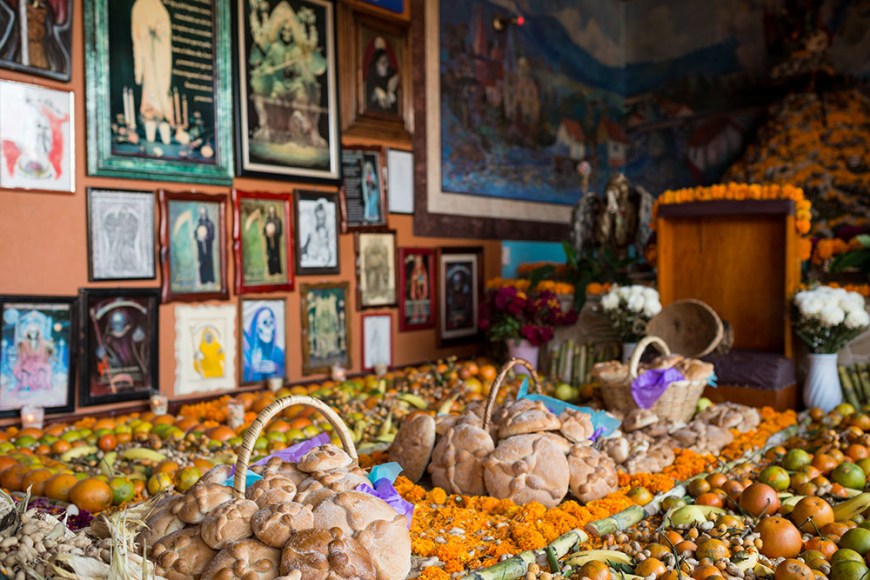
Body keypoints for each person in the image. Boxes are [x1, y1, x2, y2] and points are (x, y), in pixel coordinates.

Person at [131, 0, 174, 124]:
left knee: (161, 81)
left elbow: (165, 32)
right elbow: (138, 33)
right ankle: (150, 110)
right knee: (150, 82)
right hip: (148, 53)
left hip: (159, 54)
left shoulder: (160, 9)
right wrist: (149, 30)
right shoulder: (140, 5)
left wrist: (159, 29)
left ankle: (161, 111)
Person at [243, 306, 285, 382]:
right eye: (265, 323)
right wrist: (252, 368)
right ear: (256, 328)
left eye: (271, 323)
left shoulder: (279, 353)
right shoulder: (247, 352)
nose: (269, 328)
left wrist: (276, 368)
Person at [12, 323, 54, 392]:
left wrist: (50, 349)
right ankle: (26, 387)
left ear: (37, 333)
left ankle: (44, 387)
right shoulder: (24, 344)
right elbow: (22, 358)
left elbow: (47, 355)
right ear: (28, 333)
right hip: (28, 364)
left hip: (40, 363)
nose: (33, 334)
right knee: (25, 372)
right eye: (31, 332)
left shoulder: (44, 343)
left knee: (45, 370)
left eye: (34, 332)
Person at [365, 37, 400, 114]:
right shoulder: (371, 76)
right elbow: (369, 98)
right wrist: (377, 91)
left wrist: (390, 92)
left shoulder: (391, 74)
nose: (385, 65)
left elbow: (394, 100)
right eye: (382, 62)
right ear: (376, 63)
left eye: (386, 62)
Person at [301, 200, 333, 267]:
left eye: (322, 218)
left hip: (322, 260)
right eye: (318, 218)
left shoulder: (329, 232)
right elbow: (303, 248)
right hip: (310, 259)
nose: (320, 221)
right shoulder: (310, 229)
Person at [195, 206, 216, 285]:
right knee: (201, 262)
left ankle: (209, 279)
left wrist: (206, 238)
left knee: (208, 262)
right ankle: (203, 280)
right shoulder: (198, 224)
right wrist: (198, 237)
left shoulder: (210, 224)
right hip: (201, 247)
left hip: (208, 247)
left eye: (204, 213)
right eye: (201, 214)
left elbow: (212, 235)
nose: (203, 215)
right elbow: (195, 233)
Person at [408, 254, 429, 324]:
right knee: (415, 305)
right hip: (415, 291)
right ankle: (415, 317)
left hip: (421, 291)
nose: (418, 263)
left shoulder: (423, 270)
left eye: (419, 261)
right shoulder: (414, 270)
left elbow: (422, 281)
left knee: (421, 305)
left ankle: (423, 317)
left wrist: (417, 277)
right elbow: (412, 280)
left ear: (421, 261)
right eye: (416, 261)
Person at [263, 205, 283, 276]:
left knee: (276, 255)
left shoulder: (278, 220)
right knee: (270, 255)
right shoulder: (267, 220)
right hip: (269, 240)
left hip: (276, 240)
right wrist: (268, 233)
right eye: (270, 211)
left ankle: (277, 270)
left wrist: (274, 233)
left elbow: (280, 230)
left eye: (273, 211)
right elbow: (264, 230)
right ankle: (271, 270)